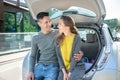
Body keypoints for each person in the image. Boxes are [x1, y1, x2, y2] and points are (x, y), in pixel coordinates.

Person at [27, 12, 83, 80]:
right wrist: (30, 71)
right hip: (40, 66)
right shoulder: (35, 38)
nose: (50, 24)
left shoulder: (58, 33)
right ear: (39, 24)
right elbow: (32, 56)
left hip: (53, 66)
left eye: (50, 21)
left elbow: (72, 41)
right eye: (46, 22)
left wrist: (81, 53)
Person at [55, 16, 85, 80]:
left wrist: (69, 73)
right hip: (64, 69)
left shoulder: (77, 38)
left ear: (67, 26)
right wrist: (64, 73)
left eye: (60, 24)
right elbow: (59, 58)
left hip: (76, 67)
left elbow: (75, 58)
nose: (58, 26)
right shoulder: (58, 39)